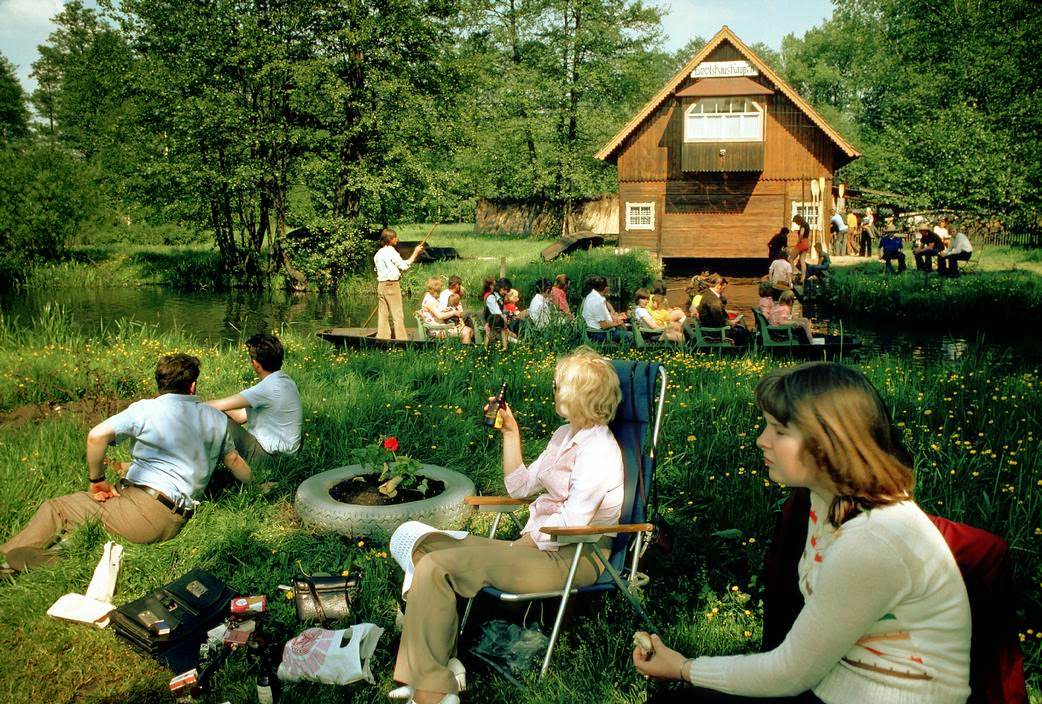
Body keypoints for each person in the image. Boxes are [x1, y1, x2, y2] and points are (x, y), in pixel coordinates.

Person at [632, 362, 971, 704]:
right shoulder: (823, 501)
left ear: (828, 444)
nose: (761, 440)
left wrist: (684, 668)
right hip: (835, 685)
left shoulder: (871, 541)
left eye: (779, 431)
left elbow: (789, 673)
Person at [391, 347, 624, 704]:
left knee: (438, 565)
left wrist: (522, 545)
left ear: (581, 394)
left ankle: (434, 692)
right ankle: (440, 664)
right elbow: (520, 486)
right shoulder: (564, 436)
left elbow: (573, 522)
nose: (554, 389)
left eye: (559, 384)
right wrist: (510, 433)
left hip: (574, 555)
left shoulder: (599, 451)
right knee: (428, 547)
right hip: (541, 544)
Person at [1, 354, 251, 574]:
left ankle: (5, 560)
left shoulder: (145, 410)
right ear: (193, 386)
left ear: (160, 384)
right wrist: (257, 486)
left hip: (143, 512)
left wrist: (97, 481)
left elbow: (96, 436)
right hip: (171, 518)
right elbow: (234, 461)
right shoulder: (215, 417)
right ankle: (61, 555)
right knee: (86, 518)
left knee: (57, 508)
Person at [206, 333, 303, 469]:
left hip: (271, 458)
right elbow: (240, 417)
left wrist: (192, 403)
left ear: (256, 365)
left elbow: (217, 405)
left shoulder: (266, 389)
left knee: (213, 420)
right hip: (287, 456)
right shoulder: (285, 381)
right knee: (218, 415)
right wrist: (223, 412)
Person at [375, 228, 424, 340]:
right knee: (398, 315)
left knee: (383, 315)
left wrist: (395, 272)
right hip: (392, 286)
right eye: (395, 237)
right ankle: (402, 340)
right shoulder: (391, 252)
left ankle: (383, 338)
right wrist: (416, 253)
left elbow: (386, 269)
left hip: (381, 286)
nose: (397, 239)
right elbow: (404, 266)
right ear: (390, 239)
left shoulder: (378, 253)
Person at [697, 274, 749, 345]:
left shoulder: (708, 295)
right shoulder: (713, 300)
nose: (723, 291)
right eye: (723, 288)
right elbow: (719, 320)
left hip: (710, 326)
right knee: (742, 331)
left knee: (740, 328)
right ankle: (740, 352)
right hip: (714, 332)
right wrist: (732, 323)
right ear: (718, 286)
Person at [421, 277, 473, 343]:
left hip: (442, 326)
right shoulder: (429, 300)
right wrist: (453, 312)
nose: (441, 288)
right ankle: (463, 351)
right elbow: (439, 316)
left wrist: (447, 309)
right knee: (467, 332)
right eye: (441, 286)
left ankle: (460, 349)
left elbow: (438, 311)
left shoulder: (433, 298)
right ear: (436, 287)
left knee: (469, 330)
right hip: (436, 330)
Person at [581, 275, 631, 344]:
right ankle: (624, 351)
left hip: (597, 330)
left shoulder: (593, 295)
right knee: (631, 336)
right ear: (606, 288)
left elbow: (605, 303)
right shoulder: (597, 302)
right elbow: (604, 326)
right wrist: (618, 323)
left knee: (626, 327)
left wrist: (613, 314)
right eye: (608, 286)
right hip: (599, 334)